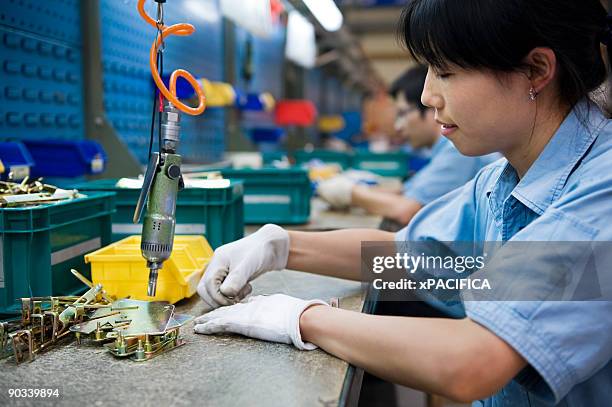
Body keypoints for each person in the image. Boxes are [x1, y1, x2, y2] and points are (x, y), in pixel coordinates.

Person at [195, 0, 612, 405]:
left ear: (536, 70)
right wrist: (282, 245)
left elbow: (473, 361)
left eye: (446, 72)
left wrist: (301, 318)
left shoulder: (600, 191)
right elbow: (409, 255)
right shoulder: (503, 180)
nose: (428, 95)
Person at [317, 65, 499, 227]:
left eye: (403, 113)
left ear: (430, 109)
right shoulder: (441, 150)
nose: (398, 126)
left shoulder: (457, 150)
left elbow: (407, 210)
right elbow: (408, 191)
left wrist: (351, 193)